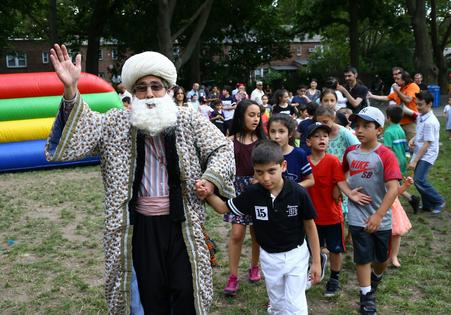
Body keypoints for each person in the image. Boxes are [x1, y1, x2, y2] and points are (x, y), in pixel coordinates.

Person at [45, 44, 235, 314]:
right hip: (138, 227)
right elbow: (77, 138)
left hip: (183, 225)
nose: (149, 94)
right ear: (131, 92)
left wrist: (211, 180)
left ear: (167, 90)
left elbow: (222, 149)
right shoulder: (115, 123)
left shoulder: (189, 120)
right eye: (141, 88)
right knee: (148, 294)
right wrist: (71, 90)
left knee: (186, 290)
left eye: (156, 86)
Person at [197, 140, 322, 315]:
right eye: (259, 172)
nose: (266, 178)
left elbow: (310, 227)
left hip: (297, 256)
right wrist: (207, 193)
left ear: (283, 166)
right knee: (277, 304)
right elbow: (222, 208)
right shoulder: (252, 193)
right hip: (269, 258)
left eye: (272, 171)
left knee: (296, 307)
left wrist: (316, 262)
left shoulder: (298, 192)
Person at [344, 107, 402, 315]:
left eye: (366, 126)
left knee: (381, 259)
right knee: (362, 257)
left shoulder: (386, 155)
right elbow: (341, 177)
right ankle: (366, 296)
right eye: (357, 125)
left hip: (381, 217)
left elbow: (394, 188)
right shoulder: (350, 152)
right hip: (358, 215)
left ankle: (376, 278)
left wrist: (378, 215)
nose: (359, 130)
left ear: (378, 129)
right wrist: (349, 193)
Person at [305, 123, 372, 297]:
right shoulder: (304, 162)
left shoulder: (333, 160)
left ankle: (334, 278)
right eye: (317, 136)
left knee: (336, 249)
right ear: (308, 142)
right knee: (312, 248)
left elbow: (341, 182)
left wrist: (350, 193)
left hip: (332, 215)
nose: (322, 138)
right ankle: (314, 268)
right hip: (311, 217)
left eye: (325, 136)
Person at [223, 100, 266, 296]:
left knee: (257, 233)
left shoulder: (263, 142)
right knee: (237, 234)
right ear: (241, 116)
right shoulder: (229, 141)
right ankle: (232, 276)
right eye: (251, 115)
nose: (256, 119)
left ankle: (254, 266)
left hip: (258, 191)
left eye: (258, 115)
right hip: (238, 191)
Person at [408, 91, 445, 214]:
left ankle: (439, 201)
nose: (417, 107)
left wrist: (415, 161)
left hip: (427, 154)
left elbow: (427, 144)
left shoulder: (431, 122)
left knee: (419, 180)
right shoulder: (420, 116)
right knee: (420, 179)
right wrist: (412, 140)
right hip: (420, 151)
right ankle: (428, 205)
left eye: (420, 105)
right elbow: (420, 134)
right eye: (416, 104)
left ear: (429, 104)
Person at [384, 106, 420, 213]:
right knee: (395, 185)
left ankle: (395, 207)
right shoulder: (401, 130)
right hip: (402, 161)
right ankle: (412, 199)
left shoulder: (388, 132)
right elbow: (405, 147)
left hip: (393, 163)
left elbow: (388, 150)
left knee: (391, 186)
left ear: (388, 118)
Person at [368, 70, 420, 141]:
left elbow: (408, 99)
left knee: (413, 145)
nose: (395, 81)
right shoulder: (400, 88)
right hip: (399, 123)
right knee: (400, 146)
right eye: (395, 79)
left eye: (398, 79)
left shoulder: (412, 86)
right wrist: (372, 96)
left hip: (410, 123)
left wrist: (397, 90)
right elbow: (387, 97)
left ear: (404, 80)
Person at [268, 114, 314, 188]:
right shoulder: (266, 154)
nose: (276, 136)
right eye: (273, 131)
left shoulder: (299, 154)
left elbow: (310, 180)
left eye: (281, 131)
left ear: (290, 134)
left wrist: (291, 188)